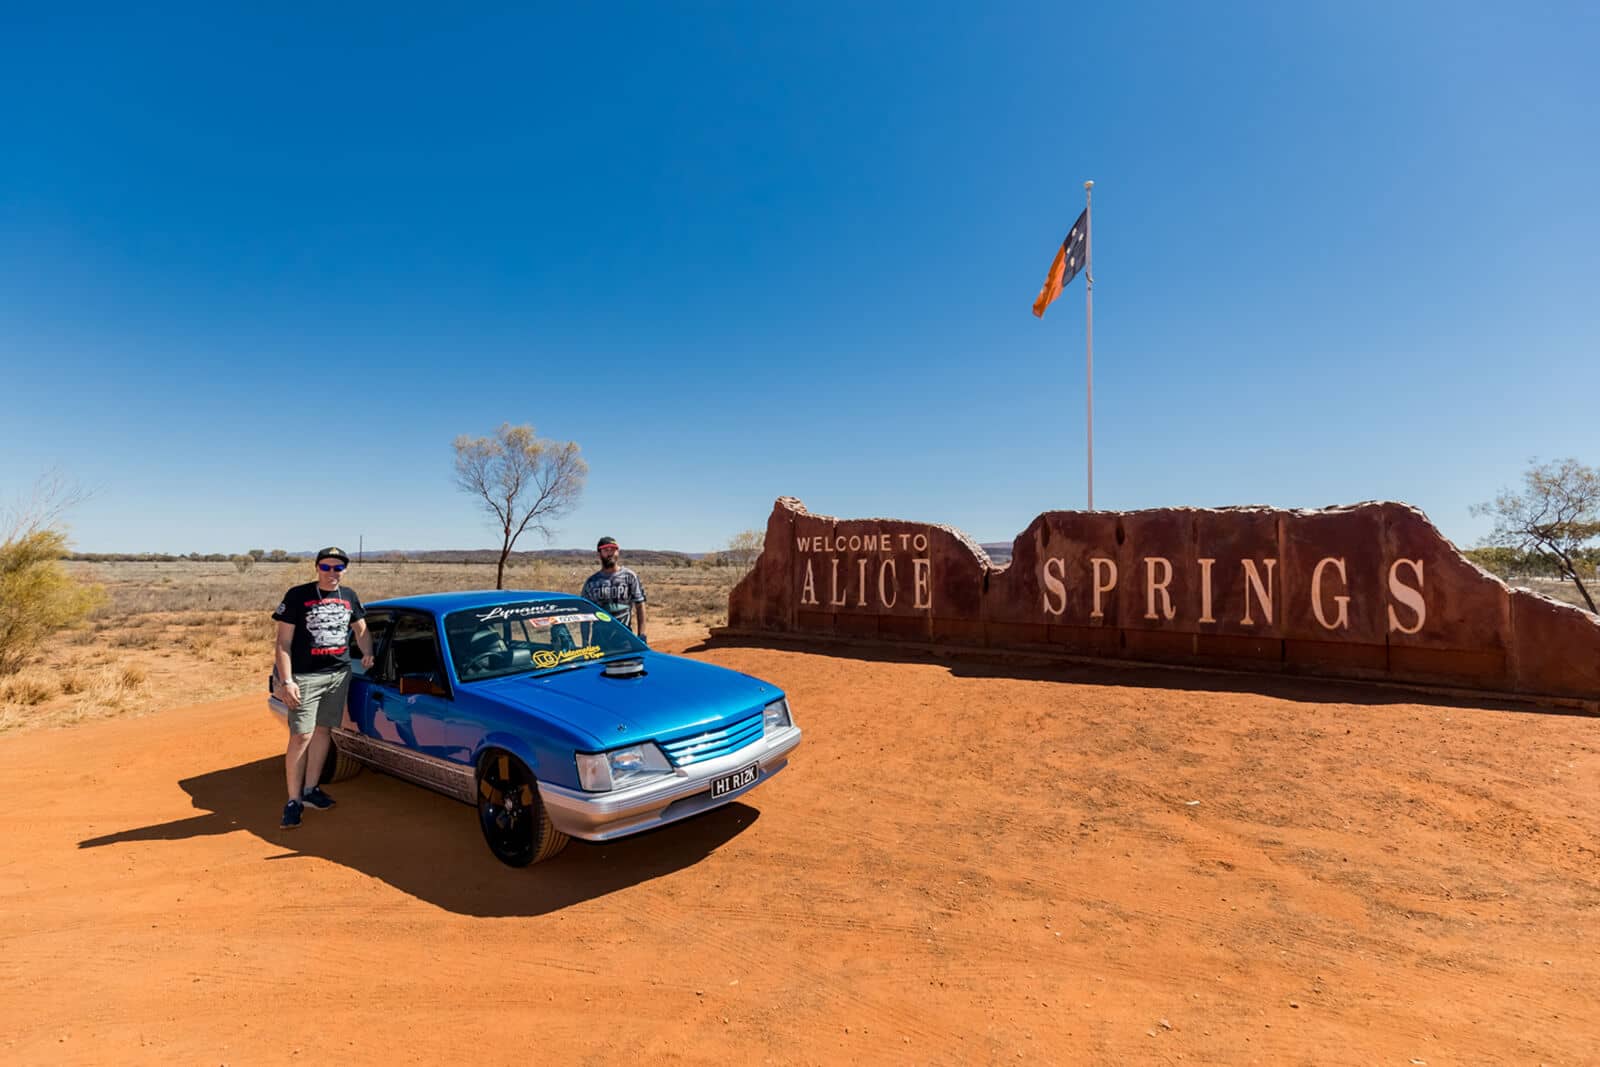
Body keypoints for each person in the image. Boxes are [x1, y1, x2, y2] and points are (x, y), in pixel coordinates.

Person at [271, 547, 375, 830]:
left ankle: (311, 790)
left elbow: (362, 629)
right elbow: (283, 643)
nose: (332, 573)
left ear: (345, 570)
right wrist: (287, 680)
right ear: (317, 568)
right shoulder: (298, 595)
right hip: (305, 677)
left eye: (337, 568)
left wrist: (368, 652)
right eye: (326, 567)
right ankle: (293, 800)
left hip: (338, 676)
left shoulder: (349, 596)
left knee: (323, 732)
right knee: (301, 735)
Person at [581, 536, 647, 642]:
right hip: (599, 642)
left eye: (613, 550)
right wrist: (585, 643)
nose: (610, 553)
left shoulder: (629, 577)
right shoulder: (592, 582)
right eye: (606, 550)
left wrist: (642, 635)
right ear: (599, 554)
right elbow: (584, 615)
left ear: (618, 552)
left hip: (625, 640)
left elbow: (640, 605)